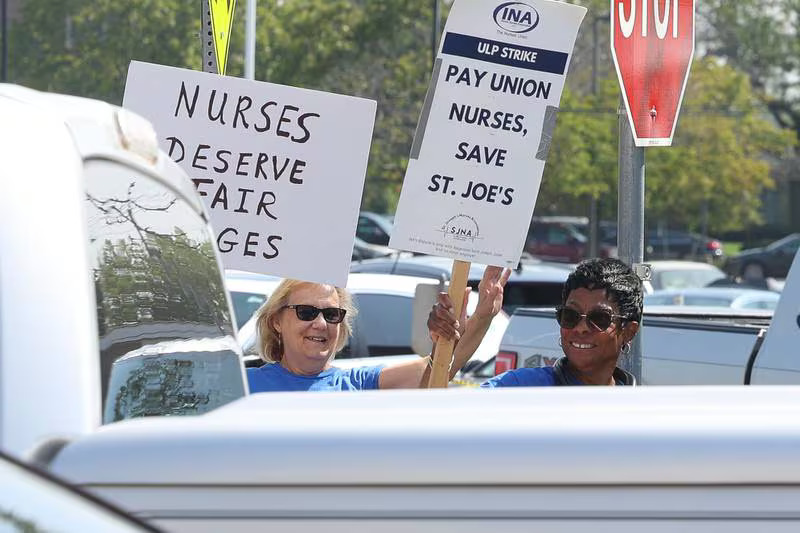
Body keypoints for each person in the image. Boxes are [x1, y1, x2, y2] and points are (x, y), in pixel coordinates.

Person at [246, 266, 510, 392]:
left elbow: (441, 367)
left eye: (332, 314)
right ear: (276, 321)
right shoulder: (242, 384)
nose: (320, 323)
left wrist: (482, 317)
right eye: (306, 312)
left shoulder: (359, 385)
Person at [428, 258, 642, 386]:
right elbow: (428, 416)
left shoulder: (642, 412)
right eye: (570, 316)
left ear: (629, 331)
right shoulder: (520, 388)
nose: (581, 328)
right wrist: (447, 349)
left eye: (599, 319)